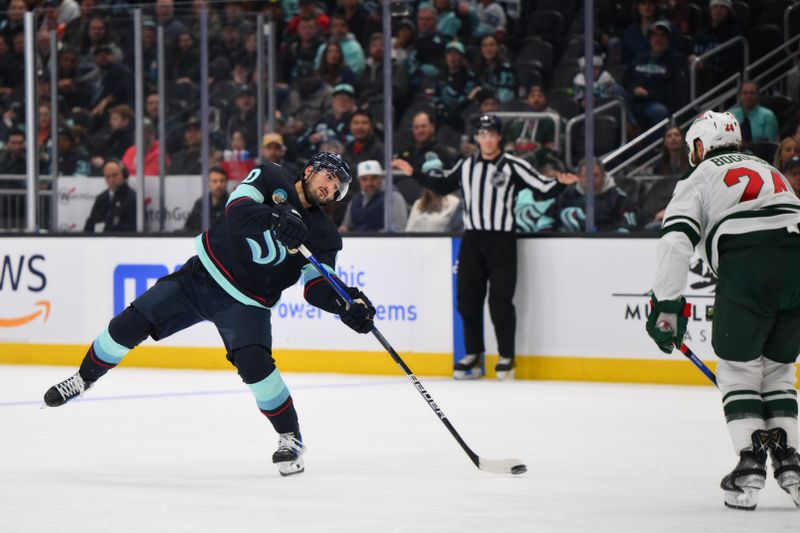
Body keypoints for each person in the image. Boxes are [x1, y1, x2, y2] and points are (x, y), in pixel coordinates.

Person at [44, 152, 377, 478]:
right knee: (129, 324)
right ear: (309, 170)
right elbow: (236, 211)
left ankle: (291, 437)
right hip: (199, 278)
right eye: (328, 176)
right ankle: (84, 378)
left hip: (246, 303)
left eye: (338, 186)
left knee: (256, 368)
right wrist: (274, 216)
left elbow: (318, 286)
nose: (330, 187)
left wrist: (347, 305)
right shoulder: (272, 177)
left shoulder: (324, 236)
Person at [645, 110, 800, 510]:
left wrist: (667, 305)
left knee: (739, 367)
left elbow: (676, 240)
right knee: (778, 368)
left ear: (699, 145)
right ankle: (791, 463)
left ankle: (750, 465)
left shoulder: (699, 176)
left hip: (750, 264)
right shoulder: (768, 168)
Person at [393, 113, 563, 380]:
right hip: (472, 239)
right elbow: (443, 184)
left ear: (499, 137)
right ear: (476, 138)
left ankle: (507, 356)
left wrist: (560, 184)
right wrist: (414, 173)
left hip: (502, 240)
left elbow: (542, 186)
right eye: (482, 135)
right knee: (467, 300)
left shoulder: (512, 165)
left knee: (500, 301)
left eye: (491, 134)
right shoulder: (466, 165)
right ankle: (473, 354)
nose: (487, 139)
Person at [552, 159, 637, 232]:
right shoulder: (567, 195)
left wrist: (594, 230)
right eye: (585, 176)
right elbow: (546, 222)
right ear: (579, 178)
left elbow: (627, 229)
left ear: (603, 176)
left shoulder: (619, 198)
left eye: (595, 175)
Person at [338, 160, 408, 233]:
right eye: (364, 179)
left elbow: (398, 229)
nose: (369, 183)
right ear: (359, 180)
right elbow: (346, 225)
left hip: (383, 242)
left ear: (381, 178)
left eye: (373, 178)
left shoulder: (393, 197)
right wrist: (343, 229)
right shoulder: (355, 200)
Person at [83, 159, 137, 233]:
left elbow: (132, 229)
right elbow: (89, 226)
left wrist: (107, 228)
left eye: (115, 175)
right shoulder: (101, 198)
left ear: (123, 175)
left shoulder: (133, 199)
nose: (111, 180)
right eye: (108, 177)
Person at [184, 166, 230, 233]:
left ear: (226, 183)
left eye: (222, 181)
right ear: (208, 183)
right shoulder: (200, 203)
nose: (219, 185)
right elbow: (188, 227)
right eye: (215, 181)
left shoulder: (232, 204)